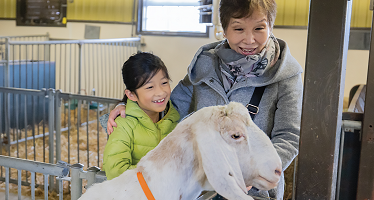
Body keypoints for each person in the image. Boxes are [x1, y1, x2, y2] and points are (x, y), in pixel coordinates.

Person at [106, 0, 302, 199]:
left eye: (259, 28)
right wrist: (130, 106)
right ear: (224, 30)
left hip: (253, 189)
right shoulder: (204, 66)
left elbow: (289, 135)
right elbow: (172, 107)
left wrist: (253, 172)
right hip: (199, 190)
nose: (250, 39)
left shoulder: (286, 76)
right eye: (239, 28)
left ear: (270, 26)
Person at [102, 52, 180, 180]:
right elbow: (116, 171)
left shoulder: (175, 118)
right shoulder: (123, 124)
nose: (160, 92)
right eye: (150, 87)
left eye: (164, 83)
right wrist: (161, 169)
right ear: (131, 95)